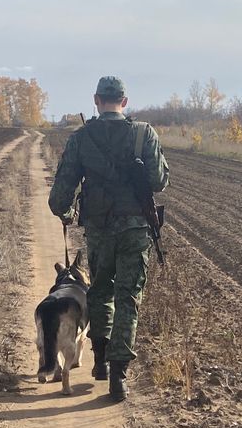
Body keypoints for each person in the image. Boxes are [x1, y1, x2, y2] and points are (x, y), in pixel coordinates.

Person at [48, 76, 169, 402]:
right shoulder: (144, 134)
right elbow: (159, 182)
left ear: (97, 101)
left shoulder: (82, 138)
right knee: (127, 298)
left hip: (99, 230)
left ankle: (100, 360)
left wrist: (65, 212)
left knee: (100, 291)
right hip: (134, 230)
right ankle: (119, 375)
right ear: (125, 102)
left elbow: (59, 195)